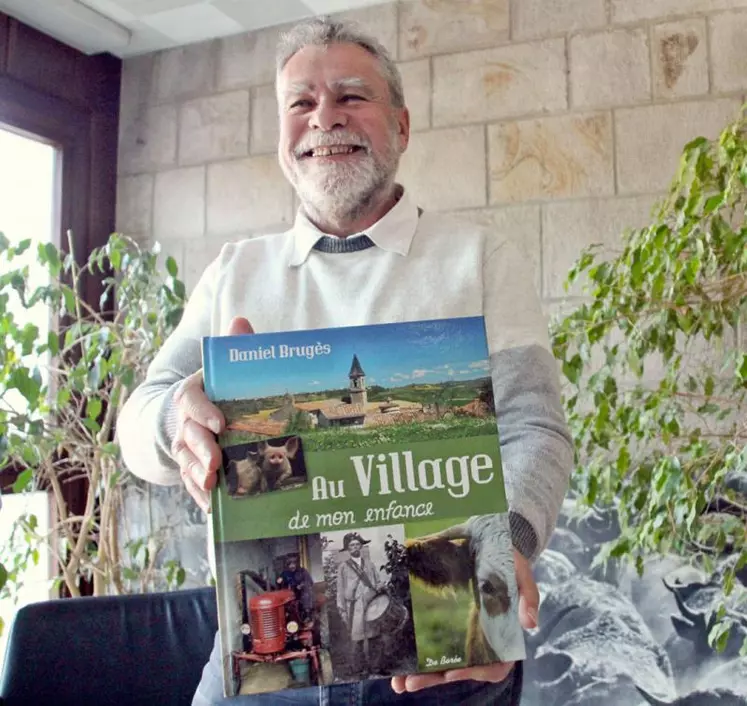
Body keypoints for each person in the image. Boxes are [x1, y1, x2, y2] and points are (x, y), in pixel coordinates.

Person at [117, 14, 573, 706]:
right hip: (265, 665)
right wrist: (176, 420)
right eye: (299, 102)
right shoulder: (234, 273)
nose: (323, 118)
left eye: (350, 96)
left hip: (442, 652)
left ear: (402, 125)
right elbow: (139, 423)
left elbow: (532, 428)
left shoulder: (477, 258)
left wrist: (503, 544)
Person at [335, 533, 383, 675]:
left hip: (372, 604)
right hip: (355, 607)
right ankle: (359, 669)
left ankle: (376, 668)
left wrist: (380, 585)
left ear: (361, 546)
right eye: (351, 545)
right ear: (348, 549)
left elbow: (377, 580)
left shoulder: (369, 563)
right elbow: (340, 589)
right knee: (357, 639)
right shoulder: (343, 567)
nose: (354, 547)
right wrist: (342, 609)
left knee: (375, 636)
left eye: (357, 544)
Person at [277, 554, 314, 625]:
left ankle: (307, 615)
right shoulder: (285, 573)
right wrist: (279, 580)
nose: (292, 566)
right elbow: (280, 581)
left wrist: (301, 585)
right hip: (290, 592)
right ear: (287, 565)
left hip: (301, 591)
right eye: (290, 564)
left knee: (306, 595)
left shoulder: (303, 571)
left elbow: (309, 582)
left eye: (294, 564)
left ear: (297, 564)